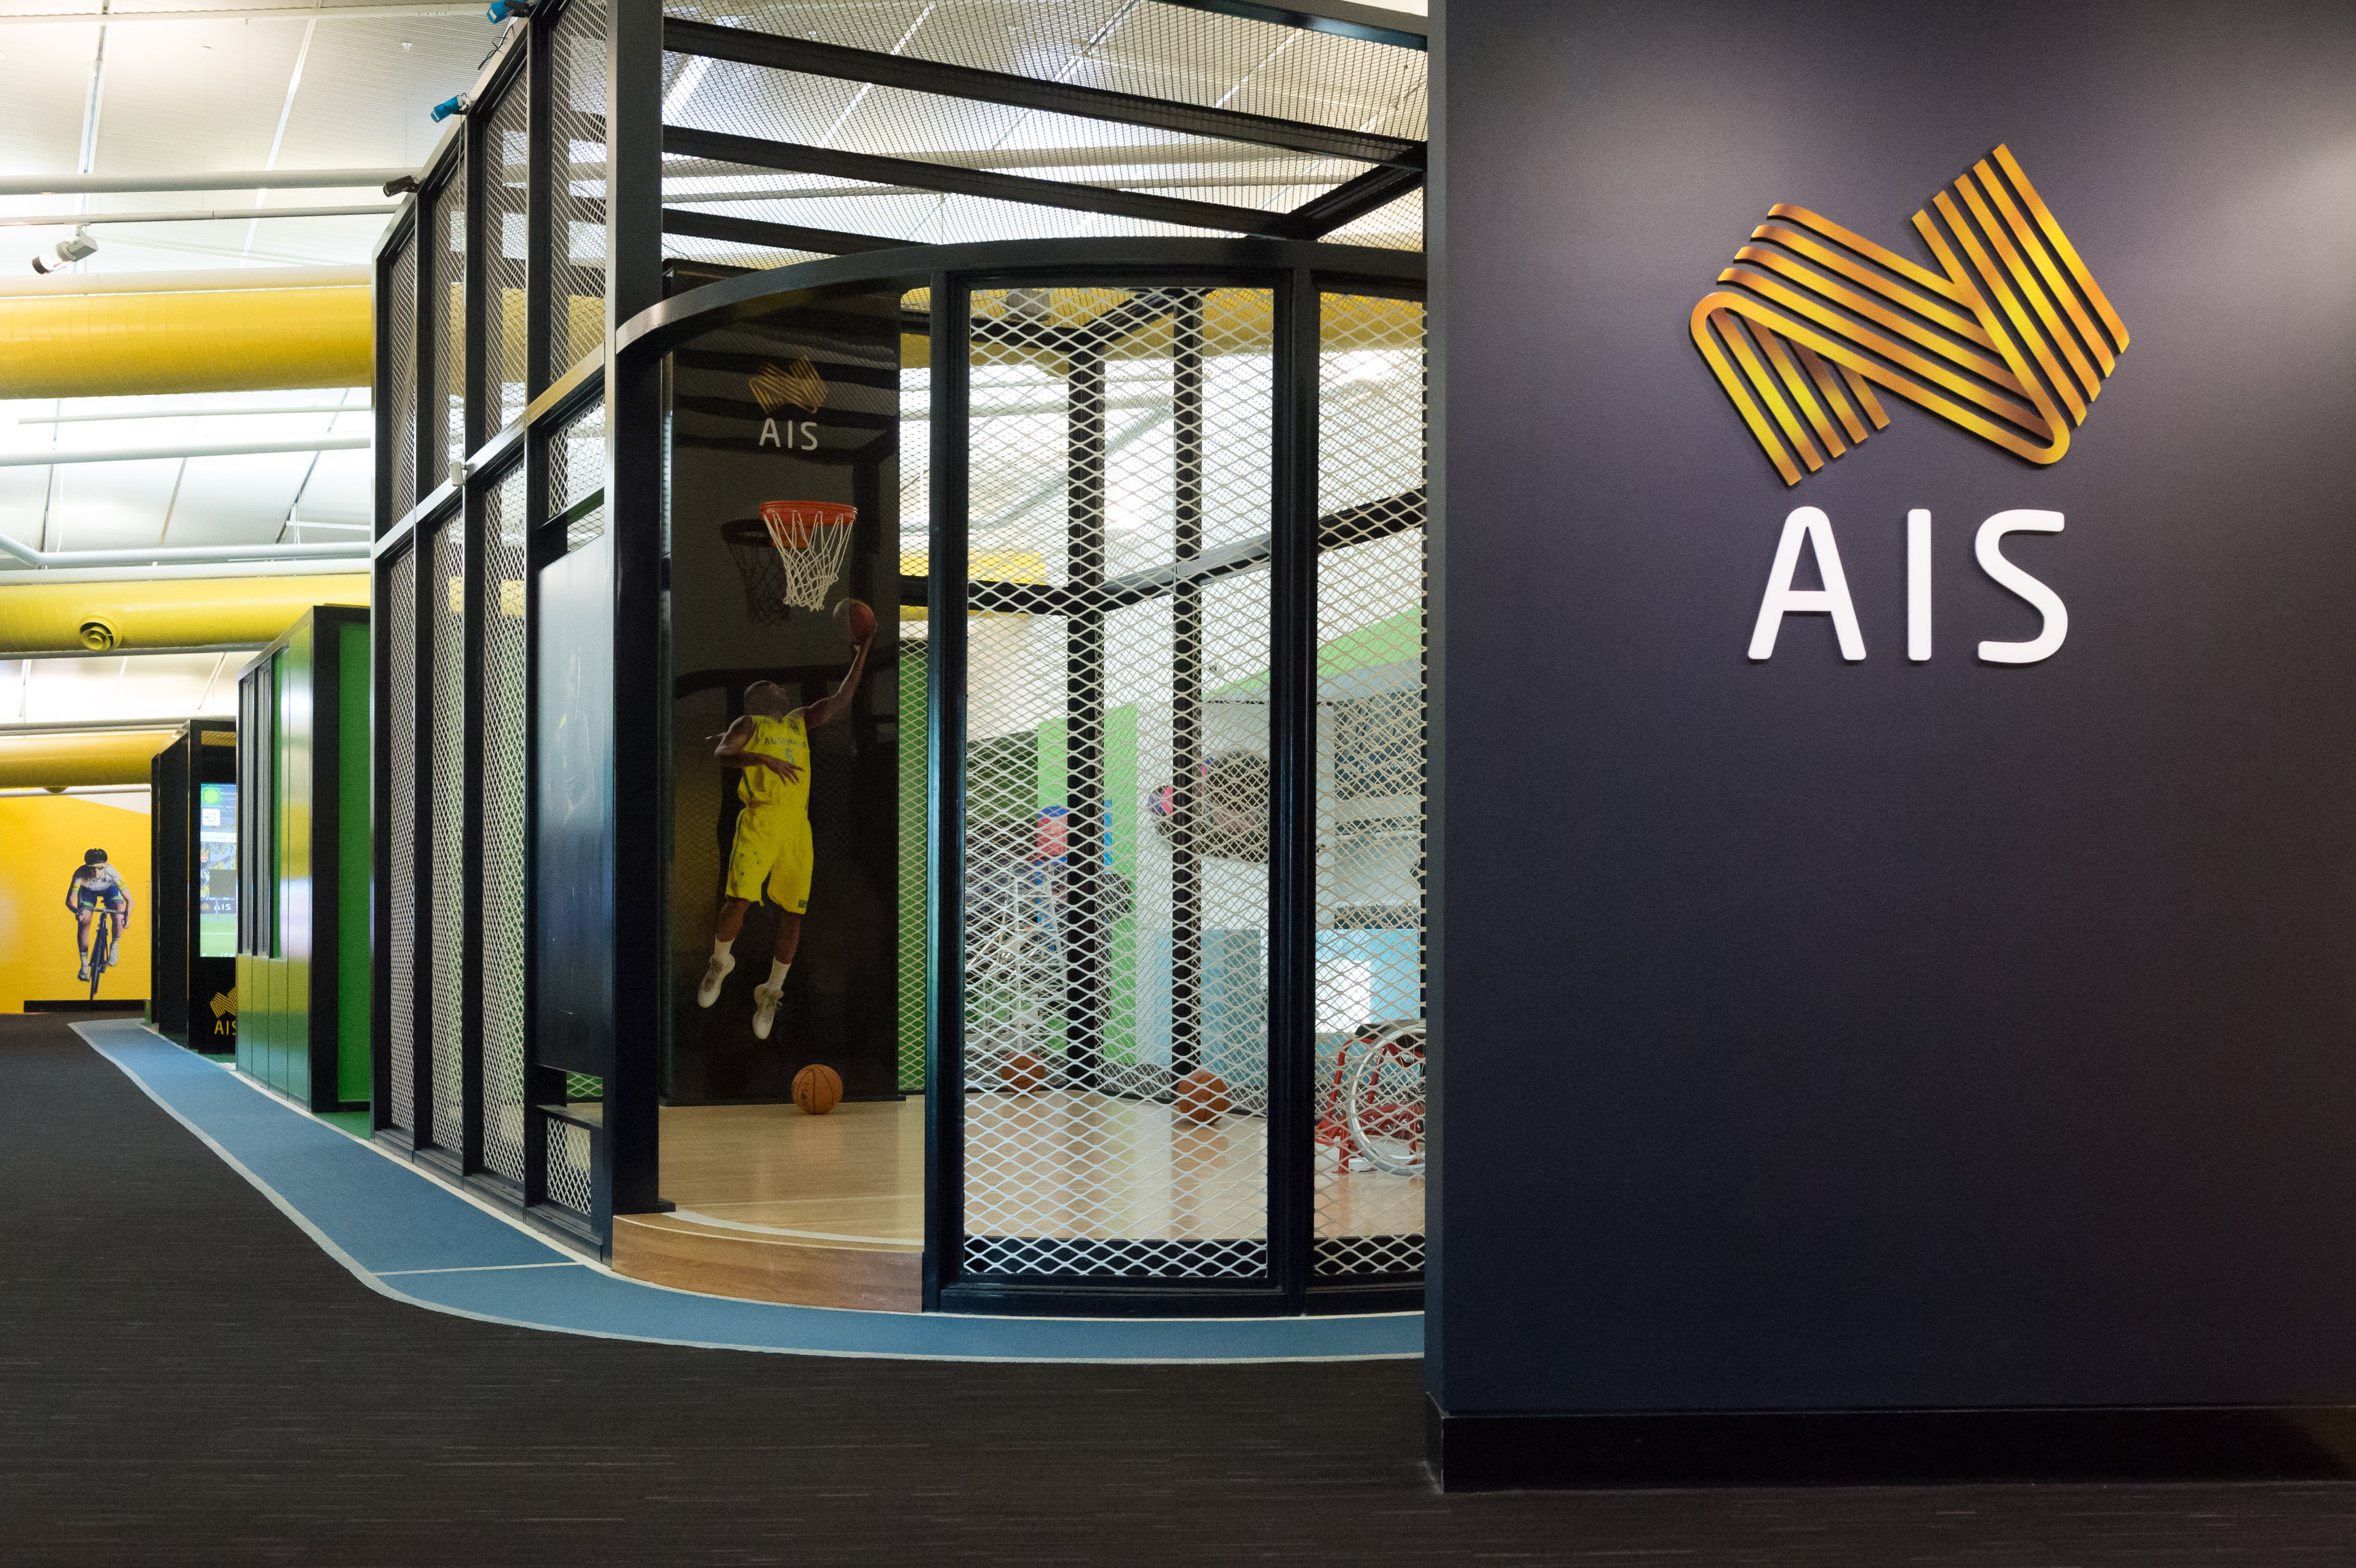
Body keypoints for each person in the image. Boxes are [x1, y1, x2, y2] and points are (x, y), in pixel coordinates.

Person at [698, 631, 873, 1040]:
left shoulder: (798, 720)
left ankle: (771, 990)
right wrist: (760, 757)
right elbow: (723, 755)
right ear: (755, 701)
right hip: (760, 819)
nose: (777, 686)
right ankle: (721, 962)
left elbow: (843, 698)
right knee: (738, 901)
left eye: (778, 685)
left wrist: (863, 649)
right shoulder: (749, 724)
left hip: (797, 826)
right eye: (766, 686)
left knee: (794, 913)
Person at [66, 848, 132, 983]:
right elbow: (70, 901)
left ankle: (115, 944)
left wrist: (127, 917)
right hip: (88, 892)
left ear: (106, 865)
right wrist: (77, 912)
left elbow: (129, 900)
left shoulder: (113, 874)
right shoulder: (80, 875)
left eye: (100, 868)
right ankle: (84, 964)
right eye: (92, 869)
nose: (96, 873)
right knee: (84, 921)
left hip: (110, 890)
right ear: (86, 866)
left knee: (119, 913)